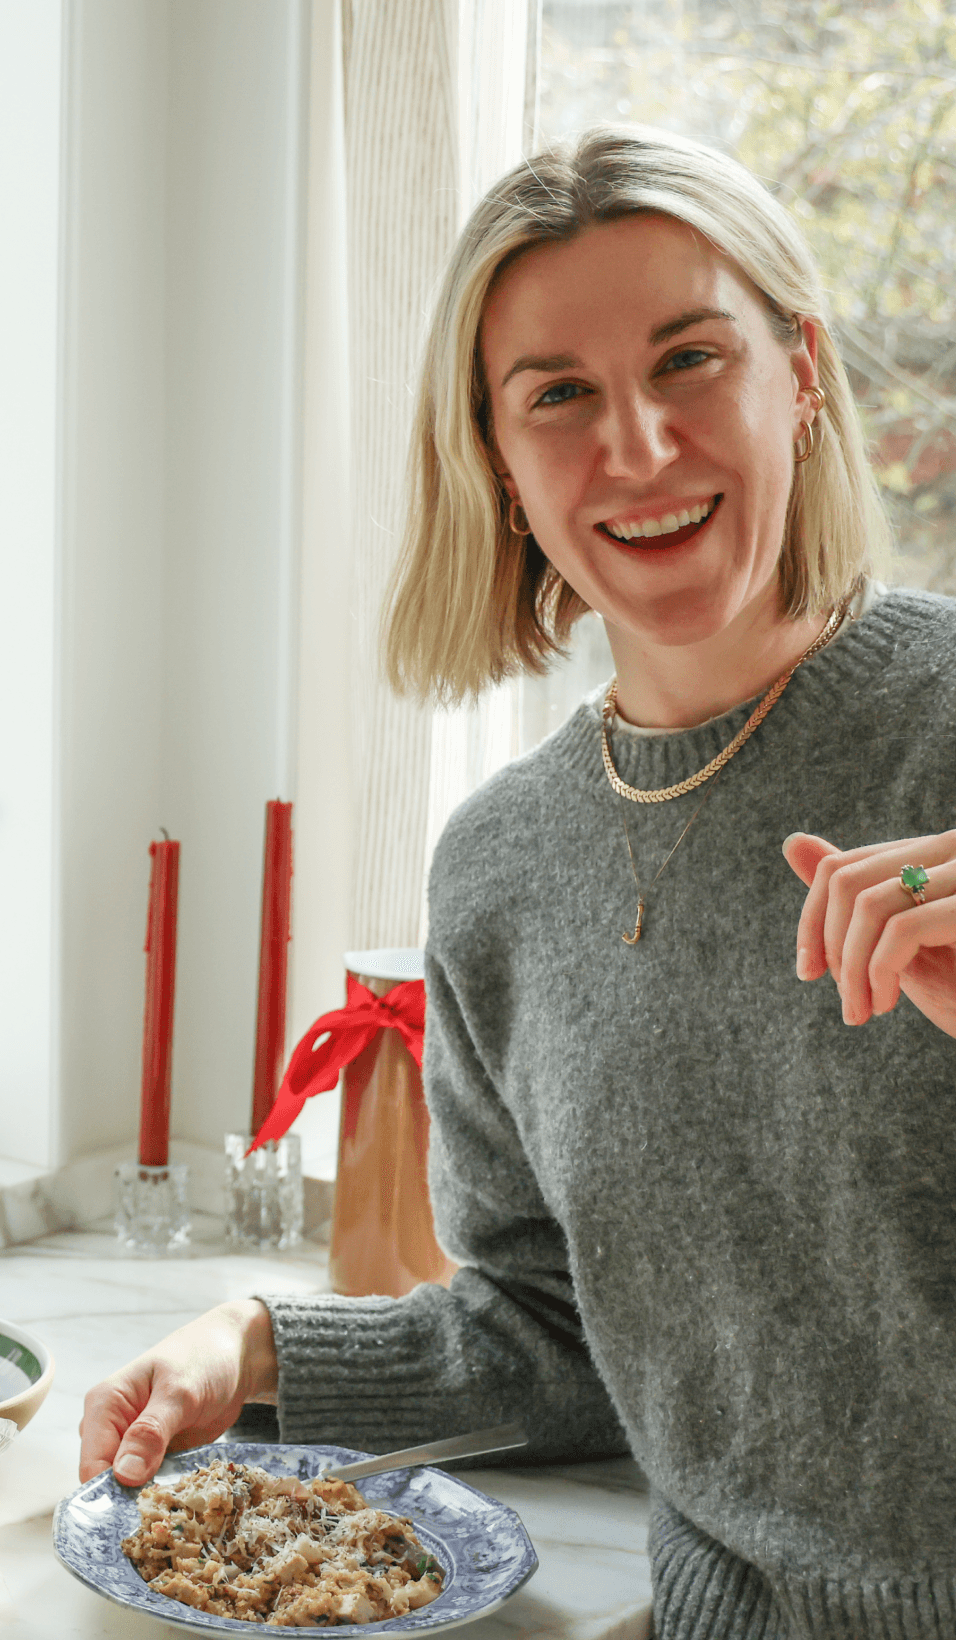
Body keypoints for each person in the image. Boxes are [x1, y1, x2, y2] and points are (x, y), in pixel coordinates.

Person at [81, 125, 956, 1638]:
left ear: (800, 373)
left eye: (691, 360)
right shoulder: (499, 867)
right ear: (496, 459)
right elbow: (561, 1328)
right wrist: (256, 1342)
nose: (640, 448)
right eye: (559, 395)